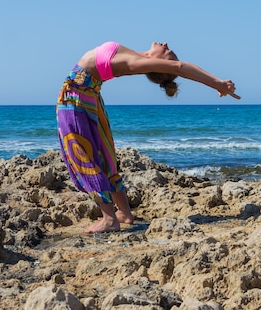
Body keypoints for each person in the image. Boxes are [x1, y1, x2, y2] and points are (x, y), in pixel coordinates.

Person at [57, 41, 241, 233]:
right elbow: (177, 66)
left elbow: (180, 67)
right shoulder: (136, 56)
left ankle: (109, 219)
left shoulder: (134, 63)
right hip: (89, 96)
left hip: (76, 97)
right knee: (105, 155)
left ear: (158, 62)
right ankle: (125, 213)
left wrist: (217, 83)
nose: (167, 44)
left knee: (84, 157)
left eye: (168, 52)